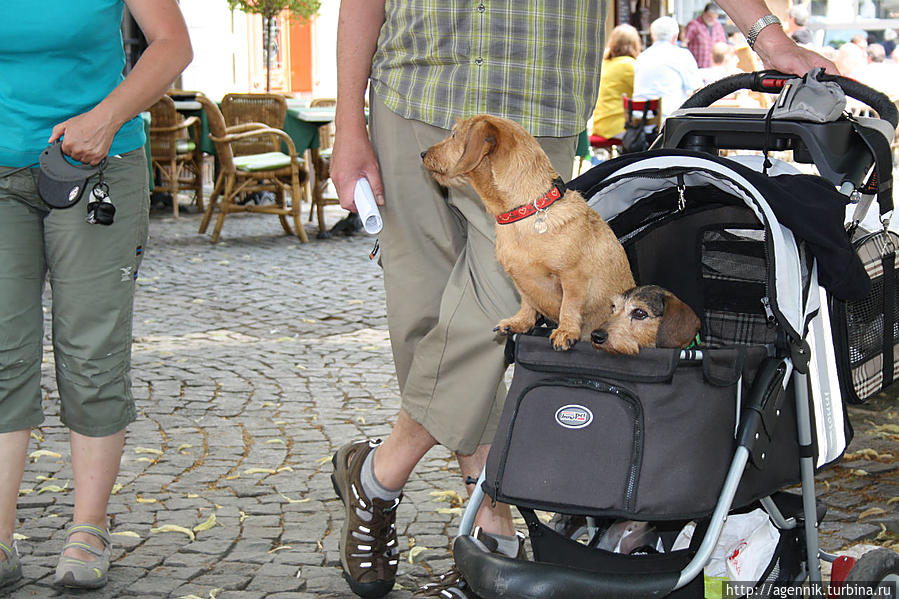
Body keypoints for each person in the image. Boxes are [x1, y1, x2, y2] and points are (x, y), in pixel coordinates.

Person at [328, 1, 837, 597]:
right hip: (410, 91)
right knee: (424, 316)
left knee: (491, 315)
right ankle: (489, 519)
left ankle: (379, 474)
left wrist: (767, 37)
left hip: (532, 103)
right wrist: (348, 124)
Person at [0, 1, 191, 591]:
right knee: (2, 355)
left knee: (92, 350)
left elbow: (172, 45)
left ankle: (88, 526)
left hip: (94, 162)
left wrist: (106, 117)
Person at [634, 16, 704, 118]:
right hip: (670, 122)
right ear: (675, 37)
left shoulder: (641, 57)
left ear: (653, 36)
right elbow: (698, 89)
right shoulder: (682, 55)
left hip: (639, 121)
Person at [592, 24, 643, 140]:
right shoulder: (629, 65)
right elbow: (643, 92)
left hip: (600, 124)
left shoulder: (605, 63)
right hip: (619, 126)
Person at [684, 2, 728, 68]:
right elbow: (684, 43)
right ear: (704, 13)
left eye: (714, 17)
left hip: (713, 67)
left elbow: (723, 44)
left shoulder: (718, 26)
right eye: (709, 16)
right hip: (697, 66)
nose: (711, 19)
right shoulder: (694, 25)